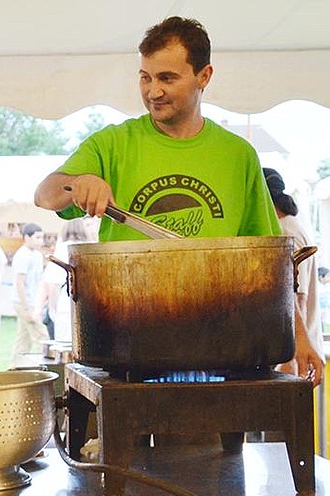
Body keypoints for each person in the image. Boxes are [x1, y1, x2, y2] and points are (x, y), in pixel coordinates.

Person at [33, 16, 323, 385]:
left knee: (221, 446)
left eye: (167, 78)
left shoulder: (238, 155)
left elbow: (270, 268)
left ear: (204, 76)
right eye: (145, 77)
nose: (153, 91)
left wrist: (300, 336)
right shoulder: (113, 144)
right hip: (129, 346)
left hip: (223, 349)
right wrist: (78, 182)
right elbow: (45, 194)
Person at [265, 168, 322, 375]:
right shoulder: (289, 225)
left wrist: (289, 359)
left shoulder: (287, 230)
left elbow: (298, 297)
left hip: (294, 357)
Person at [39, 218, 97, 342]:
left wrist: (53, 311)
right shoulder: (90, 247)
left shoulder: (62, 248)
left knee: (67, 344)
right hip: (90, 304)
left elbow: (53, 282)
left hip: (66, 302)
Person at [12, 223, 47, 362]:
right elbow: (19, 282)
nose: (41, 241)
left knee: (23, 340)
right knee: (42, 337)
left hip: (32, 300)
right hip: (24, 301)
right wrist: (26, 307)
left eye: (41, 237)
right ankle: (45, 368)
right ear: (27, 237)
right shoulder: (22, 255)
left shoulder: (37, 255)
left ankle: (15, 369)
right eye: (37, 237)